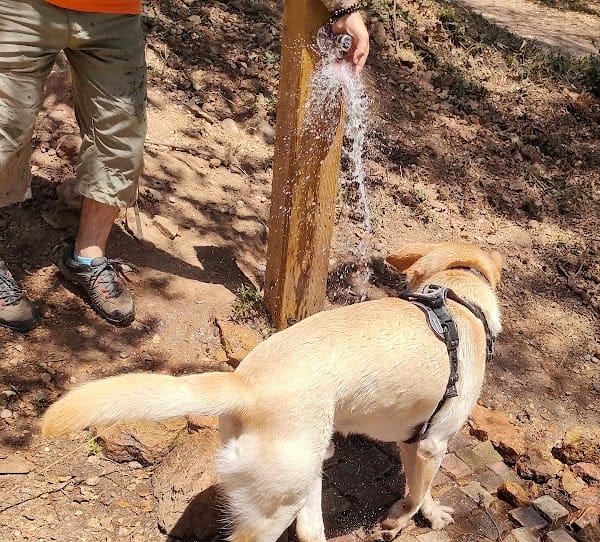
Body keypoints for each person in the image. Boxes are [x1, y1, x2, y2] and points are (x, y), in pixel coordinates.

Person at [0, 0, 369, 333]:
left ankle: (87, 257)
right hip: (22, 9)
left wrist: (342, 8)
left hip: (114, 14)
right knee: (5, 132)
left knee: (120, 136)